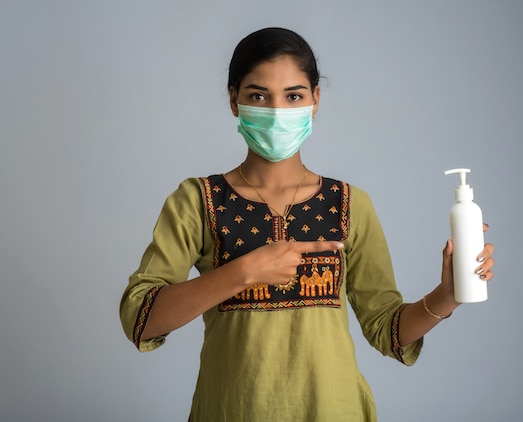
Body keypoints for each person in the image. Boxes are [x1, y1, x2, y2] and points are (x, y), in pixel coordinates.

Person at [119, 27, 494, 421]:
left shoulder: (349, 204)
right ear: (234, 100)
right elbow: (140, 317)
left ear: (315, 100)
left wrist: (448, 294)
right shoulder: (197, 201)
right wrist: (245, 271)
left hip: (334, 410)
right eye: (259, 96)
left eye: (294, 95)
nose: (278, 112)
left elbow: (387, 329)